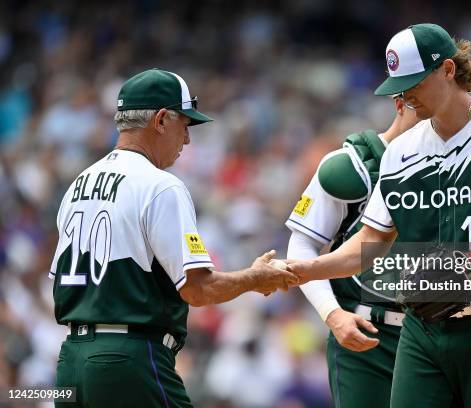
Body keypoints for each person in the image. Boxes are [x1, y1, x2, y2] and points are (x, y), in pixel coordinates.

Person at [287, 23, 471, 408]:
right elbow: (371, 241)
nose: (405, 96)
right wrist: (304, 270)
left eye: (414, 83)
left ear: (447, 70)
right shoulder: (400, 151)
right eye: (399, 87)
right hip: (421, 324)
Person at [49, 68, 298, 408]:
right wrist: (255, 278)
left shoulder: (78, 185)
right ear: (162, 120)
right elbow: (198, 288)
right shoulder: (160, 185)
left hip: (70, 362)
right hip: (128, 360)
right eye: (185, 124)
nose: (188, 139)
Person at [286, 96, 419, 407]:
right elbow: (302, 242)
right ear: (400, 104)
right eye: (425, 104)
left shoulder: (463, 168)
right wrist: (332, 314)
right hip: (368, 333)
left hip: (436, 331)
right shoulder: (355, 166)